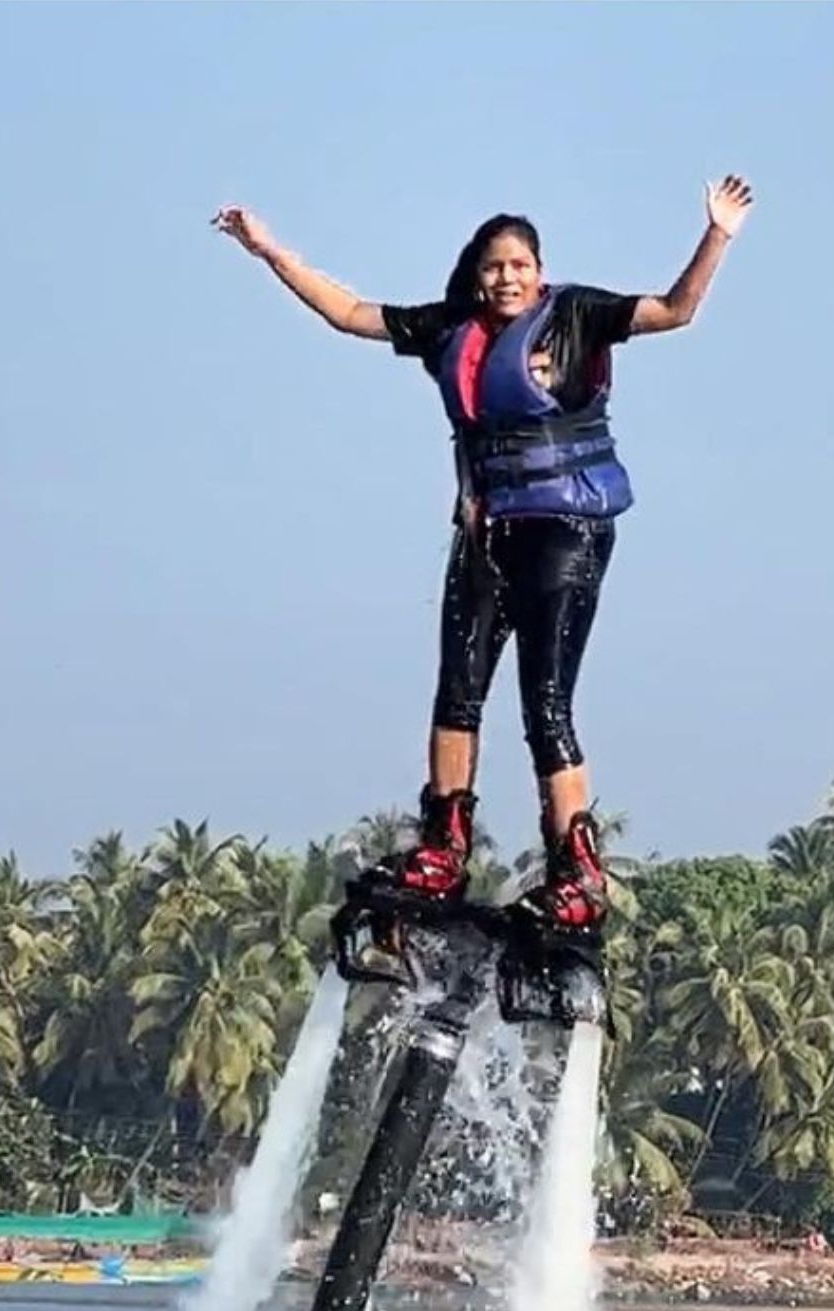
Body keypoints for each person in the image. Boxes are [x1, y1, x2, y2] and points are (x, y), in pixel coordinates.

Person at [213, 176, 753, 936]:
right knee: (455, 692)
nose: (508, 277)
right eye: (495, 267)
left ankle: (576, 872)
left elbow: (675, 310)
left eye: (520, 265)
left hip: (565, 532)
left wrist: (717, 234)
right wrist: (267, 249)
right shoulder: (449, 328)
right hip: (486, 536)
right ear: (477, 273)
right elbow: (348, 313)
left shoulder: (577, 315)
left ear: (539, 270)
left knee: (545, 704)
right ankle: (443, 847)